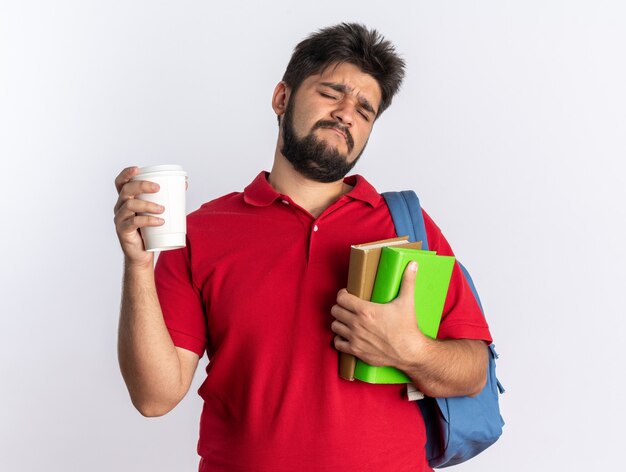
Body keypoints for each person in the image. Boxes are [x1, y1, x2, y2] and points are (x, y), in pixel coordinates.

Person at [113, 23, 492, 472]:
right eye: (332, 93)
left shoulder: (407, 225)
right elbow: (154, 398)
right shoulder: (200, 233)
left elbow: (473, 372)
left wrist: (409, 350)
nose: (347, 113)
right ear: (282, 97)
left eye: (365, 110)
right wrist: (138, 263)